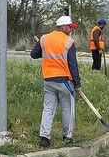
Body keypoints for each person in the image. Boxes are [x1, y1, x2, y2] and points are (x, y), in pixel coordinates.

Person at [31, 16, 82, 148]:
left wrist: (47, 51)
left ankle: (44, 137)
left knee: (48, 108)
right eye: (69, 27)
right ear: (63, 27)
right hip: (64, 80)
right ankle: (68, 137)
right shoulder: (69, 42)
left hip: (48, 80)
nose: (70, 30)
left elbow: (34, 54)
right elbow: (73, 65)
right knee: (68, 108)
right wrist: (77, 84)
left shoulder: (44, 38)